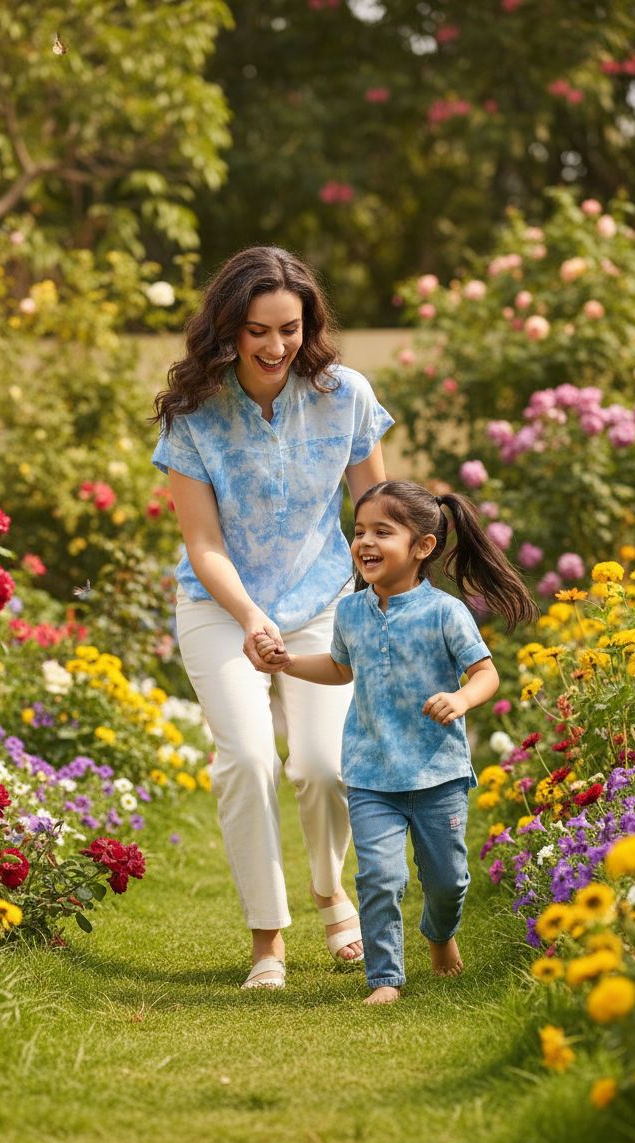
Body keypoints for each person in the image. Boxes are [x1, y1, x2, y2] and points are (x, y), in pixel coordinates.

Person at [151, 246, 393, 989]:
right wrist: (253, 616)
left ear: (308, 324)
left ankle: (328, 889)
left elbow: (375, 515)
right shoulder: (195, 413)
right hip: (220, 607)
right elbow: (202, 541)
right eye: (257, 330)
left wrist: (392, 603)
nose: (274, 346)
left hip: (322, 601)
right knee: (249, 759)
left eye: (289, 328)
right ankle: (268, 941)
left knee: (323, 767)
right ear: (229, 328)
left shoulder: (346, 393)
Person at [255, 479, 537, 1003]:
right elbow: (341, 668)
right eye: (359, 530)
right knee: (380, 878)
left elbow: (485, 674)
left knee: (448, 881)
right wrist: (289, 661)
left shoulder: (446, 612)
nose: (364, 542)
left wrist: (463, 700)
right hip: (370, 773)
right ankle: (385, 978)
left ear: (422, 547)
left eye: (382, 531)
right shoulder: (350, 612)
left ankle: (439, 934)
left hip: (438, 774)